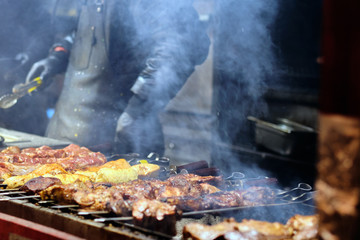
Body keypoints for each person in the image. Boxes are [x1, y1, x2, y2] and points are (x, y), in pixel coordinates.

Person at [25, 0, 210, 156]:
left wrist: (137, 108)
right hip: (62, 139)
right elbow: (84, 32)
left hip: (115, 148)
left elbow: (181, 46)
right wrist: (58, 56)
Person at [0, 0, 55, 135]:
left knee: (33, 147)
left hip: (17, 81)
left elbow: (44, 31)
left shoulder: (26, 4)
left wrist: (29, 56)